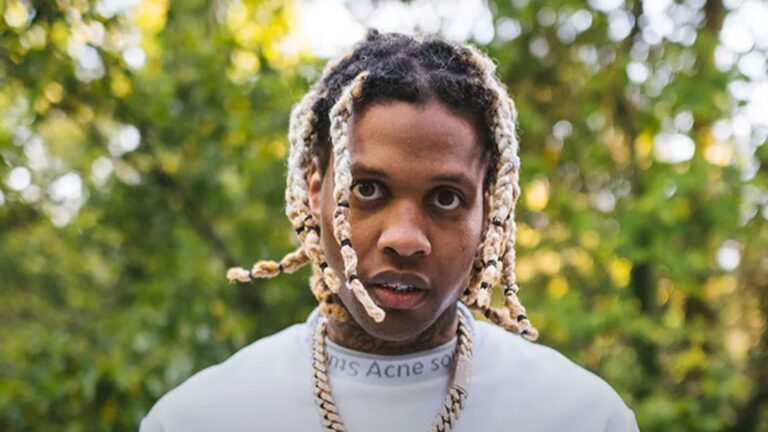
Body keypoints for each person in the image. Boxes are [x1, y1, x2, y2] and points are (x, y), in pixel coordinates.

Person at [140, 30, 640, 432]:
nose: (404, 239)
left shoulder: (582, 417)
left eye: (446, 198)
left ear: (489, 210)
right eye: (368, 190)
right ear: (315, 189)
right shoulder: (199, 418)